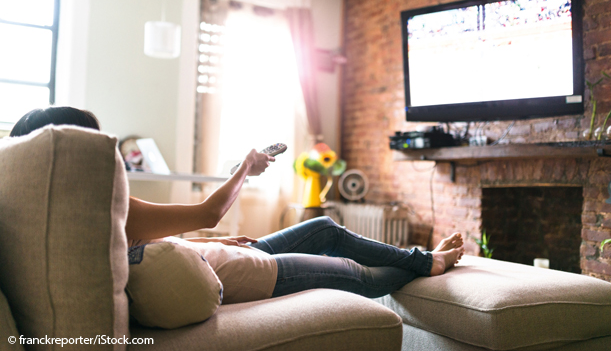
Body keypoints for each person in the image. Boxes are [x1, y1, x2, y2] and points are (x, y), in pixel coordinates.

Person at [10, 106, 464, 303]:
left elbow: (153, 246)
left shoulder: (66, 218)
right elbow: (208, 211)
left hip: (222, 255)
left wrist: (219, 240)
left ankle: (422, 259)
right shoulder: (103, 213)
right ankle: (427, 264)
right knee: (358, 277)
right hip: (244, 274)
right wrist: (246, 166)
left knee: (326, 229)